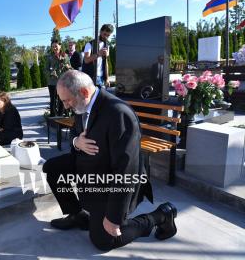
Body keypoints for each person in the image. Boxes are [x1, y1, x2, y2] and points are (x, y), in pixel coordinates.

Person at [43, 70, 178, 251]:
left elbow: (126, 169)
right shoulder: (82, 104)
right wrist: (77, 141)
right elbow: (76, 131)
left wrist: (114, 217)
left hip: (108, 177)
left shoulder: (117, 113)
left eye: (67, 100)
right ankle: (77, 215)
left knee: (103, 240)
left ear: (83, 92)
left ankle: (160, 216)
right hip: (88, 164)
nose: (66, 106)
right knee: (52, 167)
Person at [46, 39, 71, 116]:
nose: (54, 48)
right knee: (53, 100)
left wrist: (68, 67)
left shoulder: (65, 56)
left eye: (56, 46)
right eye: (53, 46)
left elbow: (70, 68)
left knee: (62, 100)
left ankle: (60, 116)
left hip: (62, 82)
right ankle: (53, 116)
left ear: (60, 46)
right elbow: (45, 69)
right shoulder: (49, 57)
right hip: (52, 82)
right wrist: (51, 72)